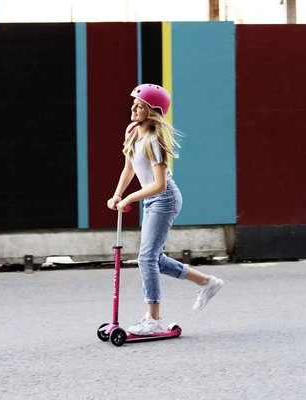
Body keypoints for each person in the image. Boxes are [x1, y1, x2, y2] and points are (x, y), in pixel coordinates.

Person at [107, 83, 224, 336]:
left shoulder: (154, 141)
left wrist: (130, 198)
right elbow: (129, 168)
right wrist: (117, 194)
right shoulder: (132, 130)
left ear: (153, 112)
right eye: (134, 104)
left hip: (165, 199)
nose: (133, 109)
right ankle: (207, 282)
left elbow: (159, 185)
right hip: (152, 199)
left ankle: (153, 319)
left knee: (146, 258)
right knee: (154, 259)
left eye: (140, 106)